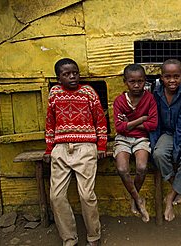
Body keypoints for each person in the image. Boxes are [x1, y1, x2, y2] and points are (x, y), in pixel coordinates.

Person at [43, 58, 106, 246]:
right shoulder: (54, 93)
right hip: (60, 148)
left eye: (75, 73)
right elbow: (50, 122)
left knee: (86, 195)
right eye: (66, 74)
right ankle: (69, 238)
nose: (72, 77)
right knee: (56, 196)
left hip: (86, 146)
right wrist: (49, 148)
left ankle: (93, 236)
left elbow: (100, 119)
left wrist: (101, 145)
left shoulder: (88, 92)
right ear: (58, 77)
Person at [151, 59, 181, 222]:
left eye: (176, 76)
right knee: (158, 154)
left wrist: (177, 149)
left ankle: (170, 197)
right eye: (167, 76)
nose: (172, 80)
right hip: (168, 133)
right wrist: (154, 143)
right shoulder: (156, 93)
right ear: (161, 77)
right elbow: (155, 121)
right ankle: (178, 187)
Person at [113, 64, 158, 223]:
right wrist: (141, 119)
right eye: (132, 81)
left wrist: (130, 122)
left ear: (145, 81)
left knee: (141, 167)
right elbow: (119, 127)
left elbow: (153, 124)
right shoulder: (119, 101)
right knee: (122, 168)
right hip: (123, 139)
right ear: (125, 82)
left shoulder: (149, 98)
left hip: (141, 138)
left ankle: (134, 198)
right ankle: (139, 199)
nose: (137, 85)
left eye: (140, 81)